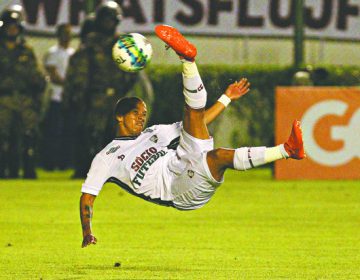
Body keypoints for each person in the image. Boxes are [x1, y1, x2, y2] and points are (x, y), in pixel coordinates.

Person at [79, 25, 305, 247]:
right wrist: (88, 232)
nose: (141, 118)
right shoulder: (106, 157)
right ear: (120, 116)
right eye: (135, 113)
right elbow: (87, 197)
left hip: (183, 161)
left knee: (193, 116)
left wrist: (226, 98)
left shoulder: (153, 133)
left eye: (144, 114)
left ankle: (187, 60)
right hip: (178, 190)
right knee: (217, 156)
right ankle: (286, 150)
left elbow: (198, 121)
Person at [63, 1, 138, 178]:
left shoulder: (123, 44)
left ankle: (113, 173)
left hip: (116, 97)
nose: (109, 24)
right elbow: (80, 70)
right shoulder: (90, 42)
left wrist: (124, 90)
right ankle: (85, 169)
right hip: (94, 96)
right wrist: (78, 94)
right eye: (106, 20)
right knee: (89, 133)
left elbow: (132, 71)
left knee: (114, 136)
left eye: (112, 20)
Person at [0, 5, 46, 178]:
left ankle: (28, 170)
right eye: (9, 25)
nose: (12, 29)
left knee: (28, 136)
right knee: (3, 138)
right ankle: (4, 171)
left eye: (15, 26)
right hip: (3, 100)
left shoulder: (27, 50)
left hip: (25, 100)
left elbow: (37, 75)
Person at [42, 23, 74, 170]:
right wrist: (70, 85)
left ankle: (64, 163)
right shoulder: (53, 52)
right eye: (64, 33)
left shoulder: (74, 53)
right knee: (53, 131)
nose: (67, 36)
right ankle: (49, 162)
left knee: (69, 132)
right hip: (57, 97)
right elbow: (53, 75)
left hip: (71, 99)